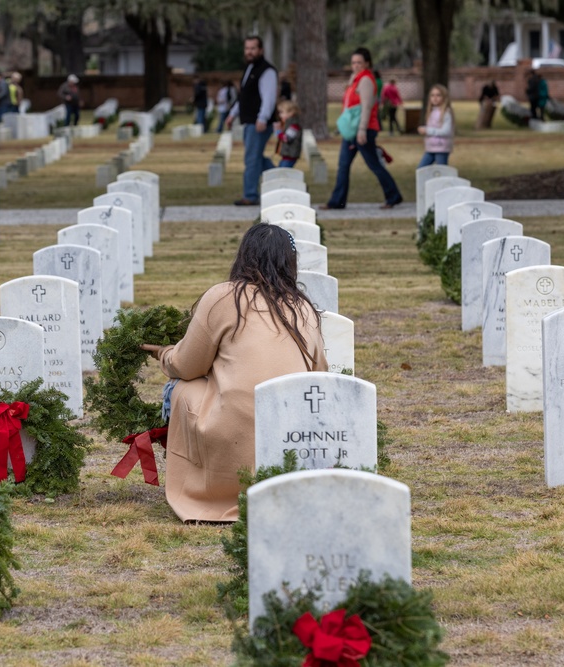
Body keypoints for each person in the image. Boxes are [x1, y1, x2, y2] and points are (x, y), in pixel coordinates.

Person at [141, 224, 327, 522]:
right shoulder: (303, 308)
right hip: (291, 441)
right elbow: (320, 375)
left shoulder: (224, 297)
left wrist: (163, 354)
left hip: (230, 445)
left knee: (180, 387)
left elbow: (188, 366)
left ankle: (205, 486)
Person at [322, 47, 403, 211]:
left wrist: (362, 130)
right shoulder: (356, 79)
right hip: (352, 131)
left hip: (363, 129)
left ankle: (393, 196)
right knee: (343, 165)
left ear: (367, 63)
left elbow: (366, 107)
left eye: (359, 62)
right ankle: (337, 201)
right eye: (353, 62)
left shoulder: (366, 80)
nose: (356, 65)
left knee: (374, 164)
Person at [225, 36, 278, 206]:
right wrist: (232, 114)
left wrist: (262, 118)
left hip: (259, 122)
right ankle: (281, 179)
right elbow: (244, 97)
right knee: (256, 158)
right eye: (247, 48)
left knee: (251, 159)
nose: (249, 51)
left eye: (253, 48)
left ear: (261, 50)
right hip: (248, 121)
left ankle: (250, 194)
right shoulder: (249, 69)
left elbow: (268, 98)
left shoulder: (267, 71)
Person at [417, 84, 454, 167]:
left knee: (442, 171)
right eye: (432, 95)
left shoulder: (446, 113)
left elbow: (446, 131)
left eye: (438, 95)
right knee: (421, 169)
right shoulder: (431, 112)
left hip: (441, 148)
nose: (435, 98)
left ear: (444, 97)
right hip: (430, 148)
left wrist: (428, 131)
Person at [274, 100, 302, 168]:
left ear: (291, 113)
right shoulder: (288, 125)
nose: (280, 115)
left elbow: (287, 138)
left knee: (282, 174)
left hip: (290, 156)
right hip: (286, 156)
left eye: (282, 112)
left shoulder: (294, 126)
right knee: (279, 172)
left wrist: (278, 132)